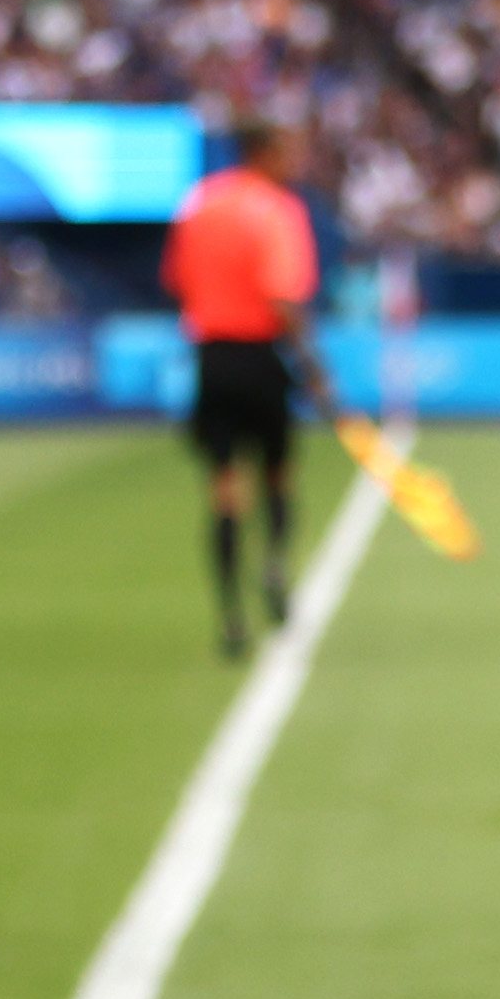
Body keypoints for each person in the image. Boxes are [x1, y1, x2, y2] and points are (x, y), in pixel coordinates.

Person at [160, 120, 320, 659]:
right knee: (278, 475)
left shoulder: (200, 203)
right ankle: (274, 564)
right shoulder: (278, 210)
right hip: (261, 356)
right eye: (287, 150)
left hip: (213, 358)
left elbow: (177, 280)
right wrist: (312, 365)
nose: (294, 161)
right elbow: (282, 297)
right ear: (265, 152)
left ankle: (230, 617)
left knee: (225, 490)